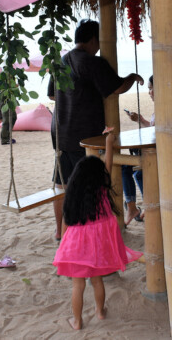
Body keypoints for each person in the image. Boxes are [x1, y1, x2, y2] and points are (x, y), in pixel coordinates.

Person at [48, 19, 144, 240]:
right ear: (93, 39)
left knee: (61, 184)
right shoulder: (92, 62)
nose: (99, 46)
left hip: (61, 132)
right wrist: (132, 77)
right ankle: (91, 231)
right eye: (98, 42)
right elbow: (116, 87)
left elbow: (53, 95)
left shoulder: (61, 61)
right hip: (85, 136)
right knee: (91, 184)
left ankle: (59, 231)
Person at [52, 132, 142, 330]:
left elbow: (66, 226)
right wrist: (109, 142)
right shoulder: (101, 190)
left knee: (78, 286)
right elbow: (108, 164)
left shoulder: (73, 197)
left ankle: (77, 321)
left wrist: (64, 247)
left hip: (76, 249)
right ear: (99, 177)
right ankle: (100, 312)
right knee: (97, 281)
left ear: (76, 177)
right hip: (97, 249)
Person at [121, 75, 155, 225]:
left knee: (125, 167)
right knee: (137, 172)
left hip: (156, 154)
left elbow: (156, 132)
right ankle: (142, 205)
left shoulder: (164, 108)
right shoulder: (161, 108)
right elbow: (154, 129)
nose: (149, 92)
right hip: (154, 151)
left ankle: (133, 206)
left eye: (151, 88)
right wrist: (141, 120)